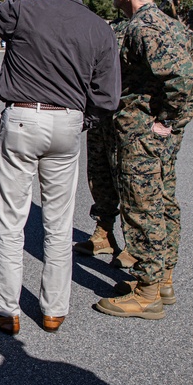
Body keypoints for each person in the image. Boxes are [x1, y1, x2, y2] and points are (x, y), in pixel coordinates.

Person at [0, 0, 121, 335]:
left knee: (11, 219)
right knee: (58, 222)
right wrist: (82, 120)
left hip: (23, 117)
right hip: (68, 123)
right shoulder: (101, 29)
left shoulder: (26, 9)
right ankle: (54, 309)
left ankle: (6, 309)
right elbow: (108, 96)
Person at [95, 0, 193, 319]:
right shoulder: (170, 24)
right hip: (155, 136)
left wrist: (168, 121)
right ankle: (163, 278)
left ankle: (146, 292)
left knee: (141, 208)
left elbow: (183, 80)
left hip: (140, 135)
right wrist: (176, 125)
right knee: (163, 202)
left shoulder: (144, 28)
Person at [73, 19, 136, 268]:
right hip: (101, 119)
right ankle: (104, 233)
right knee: (99, 178)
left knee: (133, 186)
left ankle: (137, 247)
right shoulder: (109, 28)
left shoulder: (149, 29)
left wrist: (170, 118)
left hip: (132, 124)